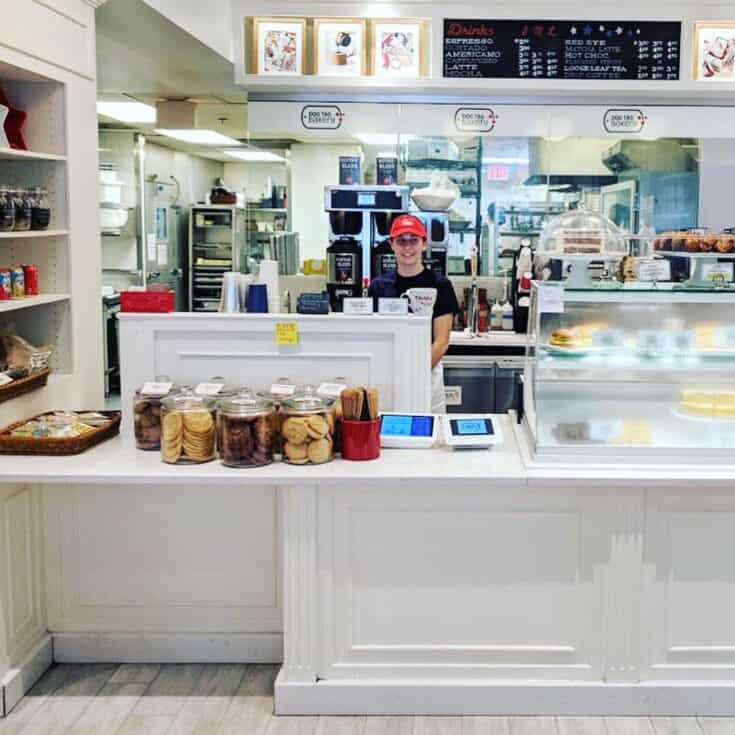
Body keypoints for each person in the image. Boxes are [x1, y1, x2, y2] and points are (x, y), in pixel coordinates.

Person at [368, 214, 459, 413]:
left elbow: (442, 341)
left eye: (413, 240)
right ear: (392, 244)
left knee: (428, 431)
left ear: (424, 244)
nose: (407, 247)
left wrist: (414, 373)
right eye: (401, 240)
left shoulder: (440, 285)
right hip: (388, 373)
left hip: (427, 373)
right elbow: (373, 336)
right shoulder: (378, 286)